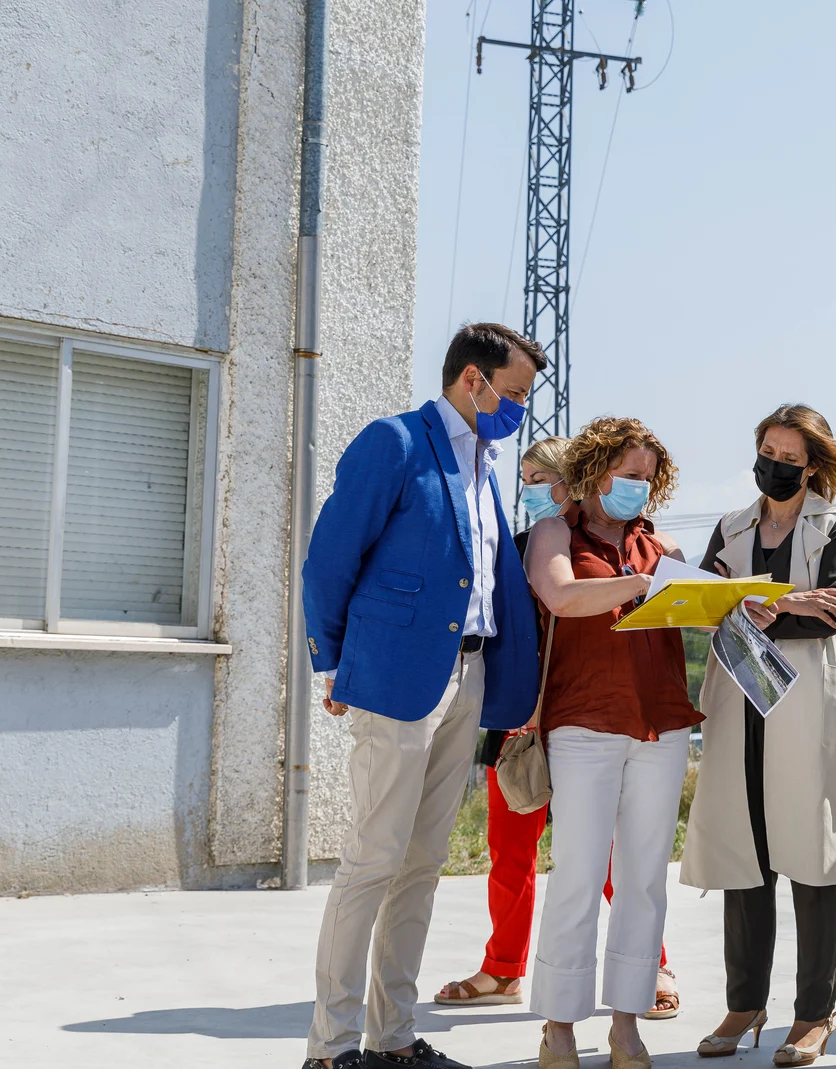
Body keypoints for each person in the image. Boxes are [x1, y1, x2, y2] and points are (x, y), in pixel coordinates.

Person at [299, 322, 546, 1069]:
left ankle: (392, 1038)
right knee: (374, 860)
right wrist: (333, 662)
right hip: (396, 678)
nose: (520, 410)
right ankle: (331, 1047)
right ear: (472, 380)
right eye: (514, 393)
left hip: (466, 678)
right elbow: (328, 557)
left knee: (422, 861)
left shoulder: (484, 463)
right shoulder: (397, 442)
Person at [434, 437, 678, 1020]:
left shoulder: (629, 545)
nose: (531, 490)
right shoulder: (518, 546)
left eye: (542, 477)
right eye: (525, 478)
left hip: (588, 716)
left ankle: (655, 964)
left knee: (611, 855)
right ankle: (503, 968)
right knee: (509, 849)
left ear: (578, 480)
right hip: (521, 716)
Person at [682, 404, 836, 1067]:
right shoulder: (730, 526)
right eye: (767, 448)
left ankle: (814, 1013)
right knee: (746, 850)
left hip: (805, 706)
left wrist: (761, 609)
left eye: (789, 456)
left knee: (810, 854)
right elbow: (706, 604)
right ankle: (746, 1001)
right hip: (741, 701)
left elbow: (830, 614)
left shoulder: (834, 525)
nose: (774, 462)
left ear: (811, 464)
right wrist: (787, 602)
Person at [524, 417, 704, 1069]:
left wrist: (736, 604)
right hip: (583, 722)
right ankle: (558, 1028)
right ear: (597, 469)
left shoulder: (663, 544)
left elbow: (699, 605)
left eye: (648, 479)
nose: (640, 488)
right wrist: (639, 586)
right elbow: (560, 594)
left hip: (662, 723)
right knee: (576, 871)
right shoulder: (555, 532)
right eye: (630, 475)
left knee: (644, 878)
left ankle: (626, 1025)